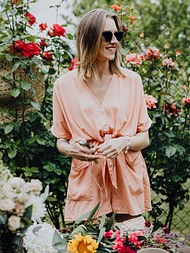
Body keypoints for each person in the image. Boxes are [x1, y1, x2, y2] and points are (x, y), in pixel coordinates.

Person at [51, 8, 152, 222]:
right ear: (88, 39)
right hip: (89, 179)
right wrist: (70, 149)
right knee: (88, 249)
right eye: (107, 35)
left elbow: (144, 138)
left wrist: (123, 142)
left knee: (129, 247)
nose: (114, 41)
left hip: (127, 178)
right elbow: (61, 139)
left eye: (118, 35)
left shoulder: (132, 81)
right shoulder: (63, 86)